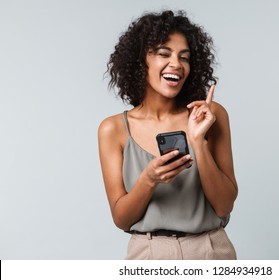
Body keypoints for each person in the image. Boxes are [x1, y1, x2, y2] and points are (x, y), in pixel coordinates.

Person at [98, 10, 238, 260]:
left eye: (184, 57)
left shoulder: (210, 115)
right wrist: (149, 179)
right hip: (148, 254)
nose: (176, 64)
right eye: (164, 53)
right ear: (142, 61)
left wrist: (198, 142)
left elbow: (224, 205)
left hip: (210, 250)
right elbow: (121, 219)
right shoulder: (114, 129)